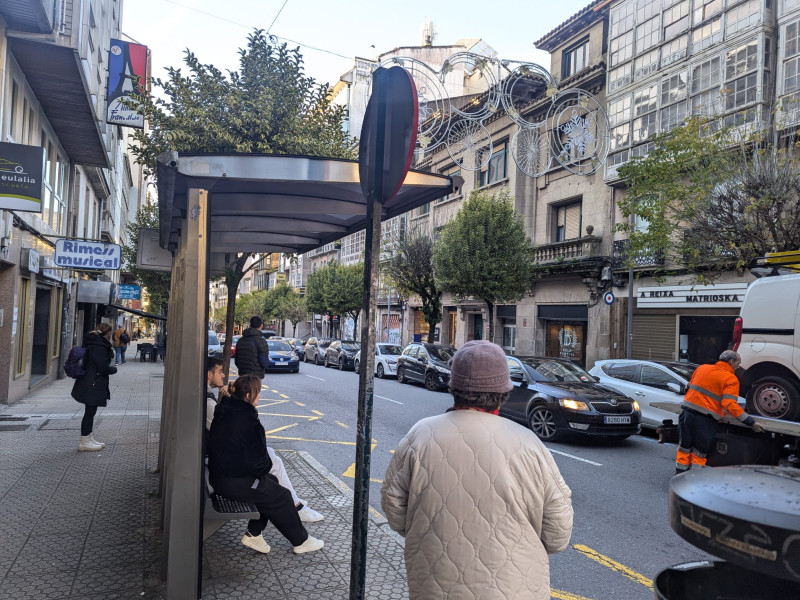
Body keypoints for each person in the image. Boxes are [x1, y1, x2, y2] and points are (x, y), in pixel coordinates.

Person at [381, 340, 573, 599]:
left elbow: (394, 506)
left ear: (453, 386)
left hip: (435, 584)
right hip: (516, 588)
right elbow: (558, 534)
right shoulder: (529, 444)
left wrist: (428, 531)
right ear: (504, 392)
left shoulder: (420, 435)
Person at [207, 374, 324, 555]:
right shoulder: (248, 421)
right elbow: (259, 463)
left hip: (221, 474)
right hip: (232, 481)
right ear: (248, 396)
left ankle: (254, 534)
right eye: (258, 393)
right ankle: (301, 541)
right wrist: (263, 470)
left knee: (271, 485)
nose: (260, 396)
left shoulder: (227, 410)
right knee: (281, 496)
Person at [676, 350, 766, 474]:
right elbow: (729, 404)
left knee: (684, 448)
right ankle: (693, 480)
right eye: (738, 363)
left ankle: (678, 476)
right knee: (699, 452)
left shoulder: (702, 368)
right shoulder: (731, 379)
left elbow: (689, 388)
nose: (738, 366)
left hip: (686, 414)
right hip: (705, 421)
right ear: (731, 362)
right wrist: (751, 422)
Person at [71, 323, 118, 451]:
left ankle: (88, 437)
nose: (110, 335)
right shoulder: (99, 346)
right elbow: (102, 367)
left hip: (91, 381)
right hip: (93, 382)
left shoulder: (95, 343)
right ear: (107, 333)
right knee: (90, 412)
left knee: (90, 411)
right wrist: (113, 369)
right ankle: (85, 441)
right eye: (110, 332)